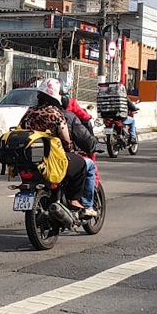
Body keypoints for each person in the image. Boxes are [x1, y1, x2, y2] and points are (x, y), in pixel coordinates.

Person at [19, 78, 94, 217]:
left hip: (33, 159)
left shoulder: (30, 112)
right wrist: (69, 148)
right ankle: (74, 200)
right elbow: (65, 138)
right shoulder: (55, 113)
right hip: (53, 158)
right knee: (82, 165)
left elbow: (21, 130)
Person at [63, 102, 100, 214]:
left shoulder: (30, 114)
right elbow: (85, 140)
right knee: (89, 165)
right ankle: (86, 205)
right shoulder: (63, 116)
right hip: (60, 159)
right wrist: (92, 144)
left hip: (32, 161)